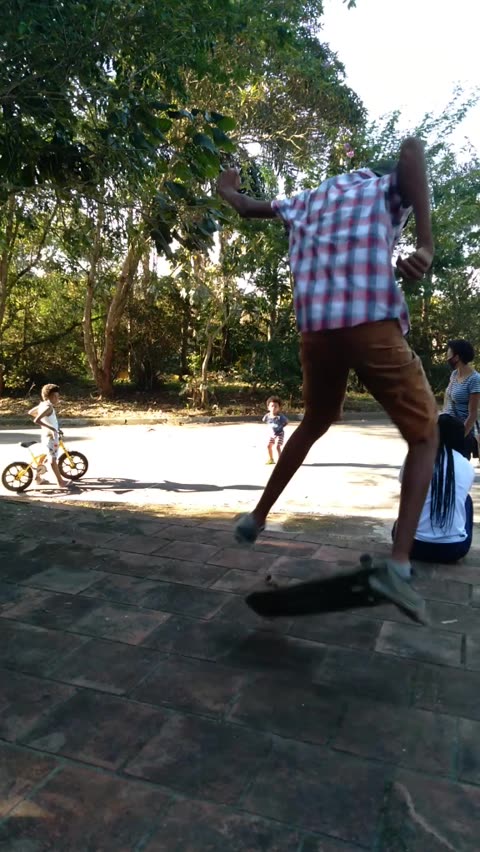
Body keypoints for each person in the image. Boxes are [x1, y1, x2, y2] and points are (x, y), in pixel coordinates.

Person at [217, 136, 438, 622]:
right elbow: (412, 150)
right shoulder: (383, 188)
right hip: (370, 325)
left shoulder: (305, 201)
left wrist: (227, 186)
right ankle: (398, 566)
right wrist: (425, 242)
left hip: (316, 336)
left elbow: (244, 206)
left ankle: (255, 517)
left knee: (315, 421)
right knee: (425, 435)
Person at [394, 414, 474, 563]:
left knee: (410, 495)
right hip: (453, 550)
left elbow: (404, 486)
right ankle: (450, 533)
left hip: (413, 546)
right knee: (466, 500)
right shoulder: (466, 465)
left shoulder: (416, 458)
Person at [444, 339, 480, 460]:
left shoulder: (474, 379)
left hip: (461, 434)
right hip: (448, 430)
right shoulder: (454, 375)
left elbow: (473, 414)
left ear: (457, 357)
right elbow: (448, 401)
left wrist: (459, 437)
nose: (447, 358)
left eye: (449, 354)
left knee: (458, 468)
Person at [28, 383, 70, 489]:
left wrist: (47, 423)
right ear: (51, 396)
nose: (57, 399)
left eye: (58, 396)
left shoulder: (43, 405)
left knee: (43, 455)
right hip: (51, 437)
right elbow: (36, 420)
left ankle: (37, 478)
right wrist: (52, 428)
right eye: (56, 396)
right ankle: (60, 482)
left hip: (45, 435)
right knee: (52, 459)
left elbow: (31, 412)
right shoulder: (48, 407)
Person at [263, 396, 288, 464]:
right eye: (272, 406)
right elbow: (265, 421)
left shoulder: (280, 417)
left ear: (279, 408)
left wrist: (281, 427)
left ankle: (281, 460)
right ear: (268, 407)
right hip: (272, 434)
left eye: (276, 406)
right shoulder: (267, 416)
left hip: (280, 434)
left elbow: (286, 422)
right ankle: (271, 459)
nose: (274, 408)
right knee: (268, 446)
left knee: (278, 446)